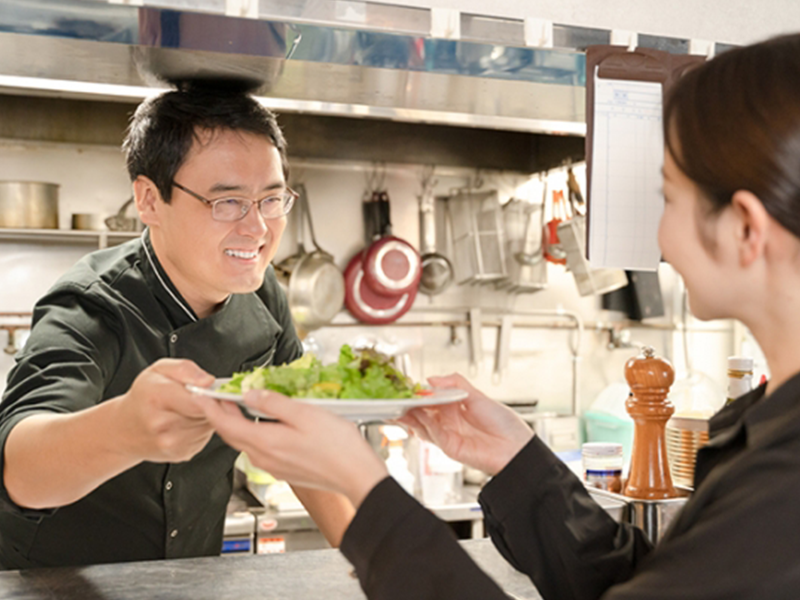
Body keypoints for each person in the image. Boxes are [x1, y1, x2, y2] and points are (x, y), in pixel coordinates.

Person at [200, 33, 800, 599]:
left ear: (746, 228)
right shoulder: (762, 427)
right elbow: (638, 584)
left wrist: (366, 488)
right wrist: (519, 462)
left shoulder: (785, 477)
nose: (661, 236)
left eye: (669, 198)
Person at [0, 83, 353, 570]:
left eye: (271, 200)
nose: (257, 229)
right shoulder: (91, 305)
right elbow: (19, 467)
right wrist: (124, 430)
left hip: (187, 579)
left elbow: (297, 432)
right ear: (148, 200)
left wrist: (375, 558)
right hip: (57, 583)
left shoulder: (263, 293)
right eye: (227, 202)